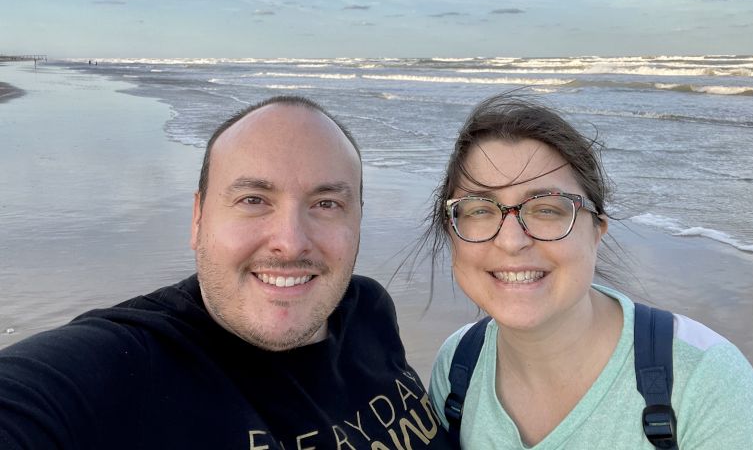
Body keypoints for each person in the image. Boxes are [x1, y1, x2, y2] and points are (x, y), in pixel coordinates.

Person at [0, 96, 449, 450]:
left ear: (357, 220)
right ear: (198, 219)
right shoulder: (125, 367)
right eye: (254, 199)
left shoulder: (367, 308)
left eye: (326, 204)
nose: (291, 242)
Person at [421, 91, 753, 449]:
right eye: (480, 210)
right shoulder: (459, 365)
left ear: (596, 232)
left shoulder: (701, 378)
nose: (511, 241)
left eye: (548, 208)